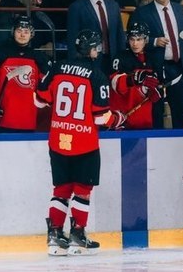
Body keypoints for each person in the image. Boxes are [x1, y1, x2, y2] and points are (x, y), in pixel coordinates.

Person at [35, 29, 126, 256]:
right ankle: (77, 235)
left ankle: (55, 238)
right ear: (93, 50)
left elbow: (38, 100)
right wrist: (117, 118)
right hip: (84, 142)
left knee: (61, 189)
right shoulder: (97, 76)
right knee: (82, 190)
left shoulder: (57, 68)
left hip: (58, 140)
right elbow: (100, 118)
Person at [130, 0, 183, 128]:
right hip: (155, 67)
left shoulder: (179, 9)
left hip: (178, 66)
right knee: (156, 110)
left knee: (180, 110)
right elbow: (133, 39)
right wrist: (154, 41)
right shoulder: (142, 12)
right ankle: (157, 146)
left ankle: (182, 145)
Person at [0, 15, 51, 133]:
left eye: (26, 31)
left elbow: (47, 90)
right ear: (13, 32)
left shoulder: (40, 59)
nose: (22, 35)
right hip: (2, 119)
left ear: (31, 34)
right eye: (19, 31)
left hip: (29, 121)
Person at [66, 0, 126, 75]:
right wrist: (75, 62)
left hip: (112, 61)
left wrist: (122, 58)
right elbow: (72, 38)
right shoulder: (76, 7)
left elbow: (119, 34)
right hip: (88, 62)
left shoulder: (113, 6)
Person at [109, 21, 161, 130]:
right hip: (124, 118)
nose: (135, 44)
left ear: (145, 40)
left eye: (139, 39)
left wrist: (155, 91)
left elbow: (159, 85)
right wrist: (133, 79)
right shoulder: (120, 58)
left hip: (144, 120)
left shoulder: (152, 59)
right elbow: (114, 83)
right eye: (132, 39)